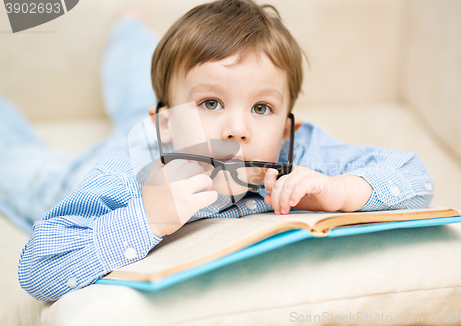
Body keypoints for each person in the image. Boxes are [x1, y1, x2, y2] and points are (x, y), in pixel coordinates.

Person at [15, 0, 434, 301]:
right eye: (211, 103)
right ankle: (130, 30)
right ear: (163, 125)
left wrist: (341, 191)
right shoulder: (126, 176)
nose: (237, 129)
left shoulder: (299, 152)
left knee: (137, 99)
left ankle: (132, 27)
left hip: (164, 115)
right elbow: (39, 267)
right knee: (20, 165)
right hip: (130, 151)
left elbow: (414, 178)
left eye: (262, 107)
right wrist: (146, 216)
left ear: (289, 126)